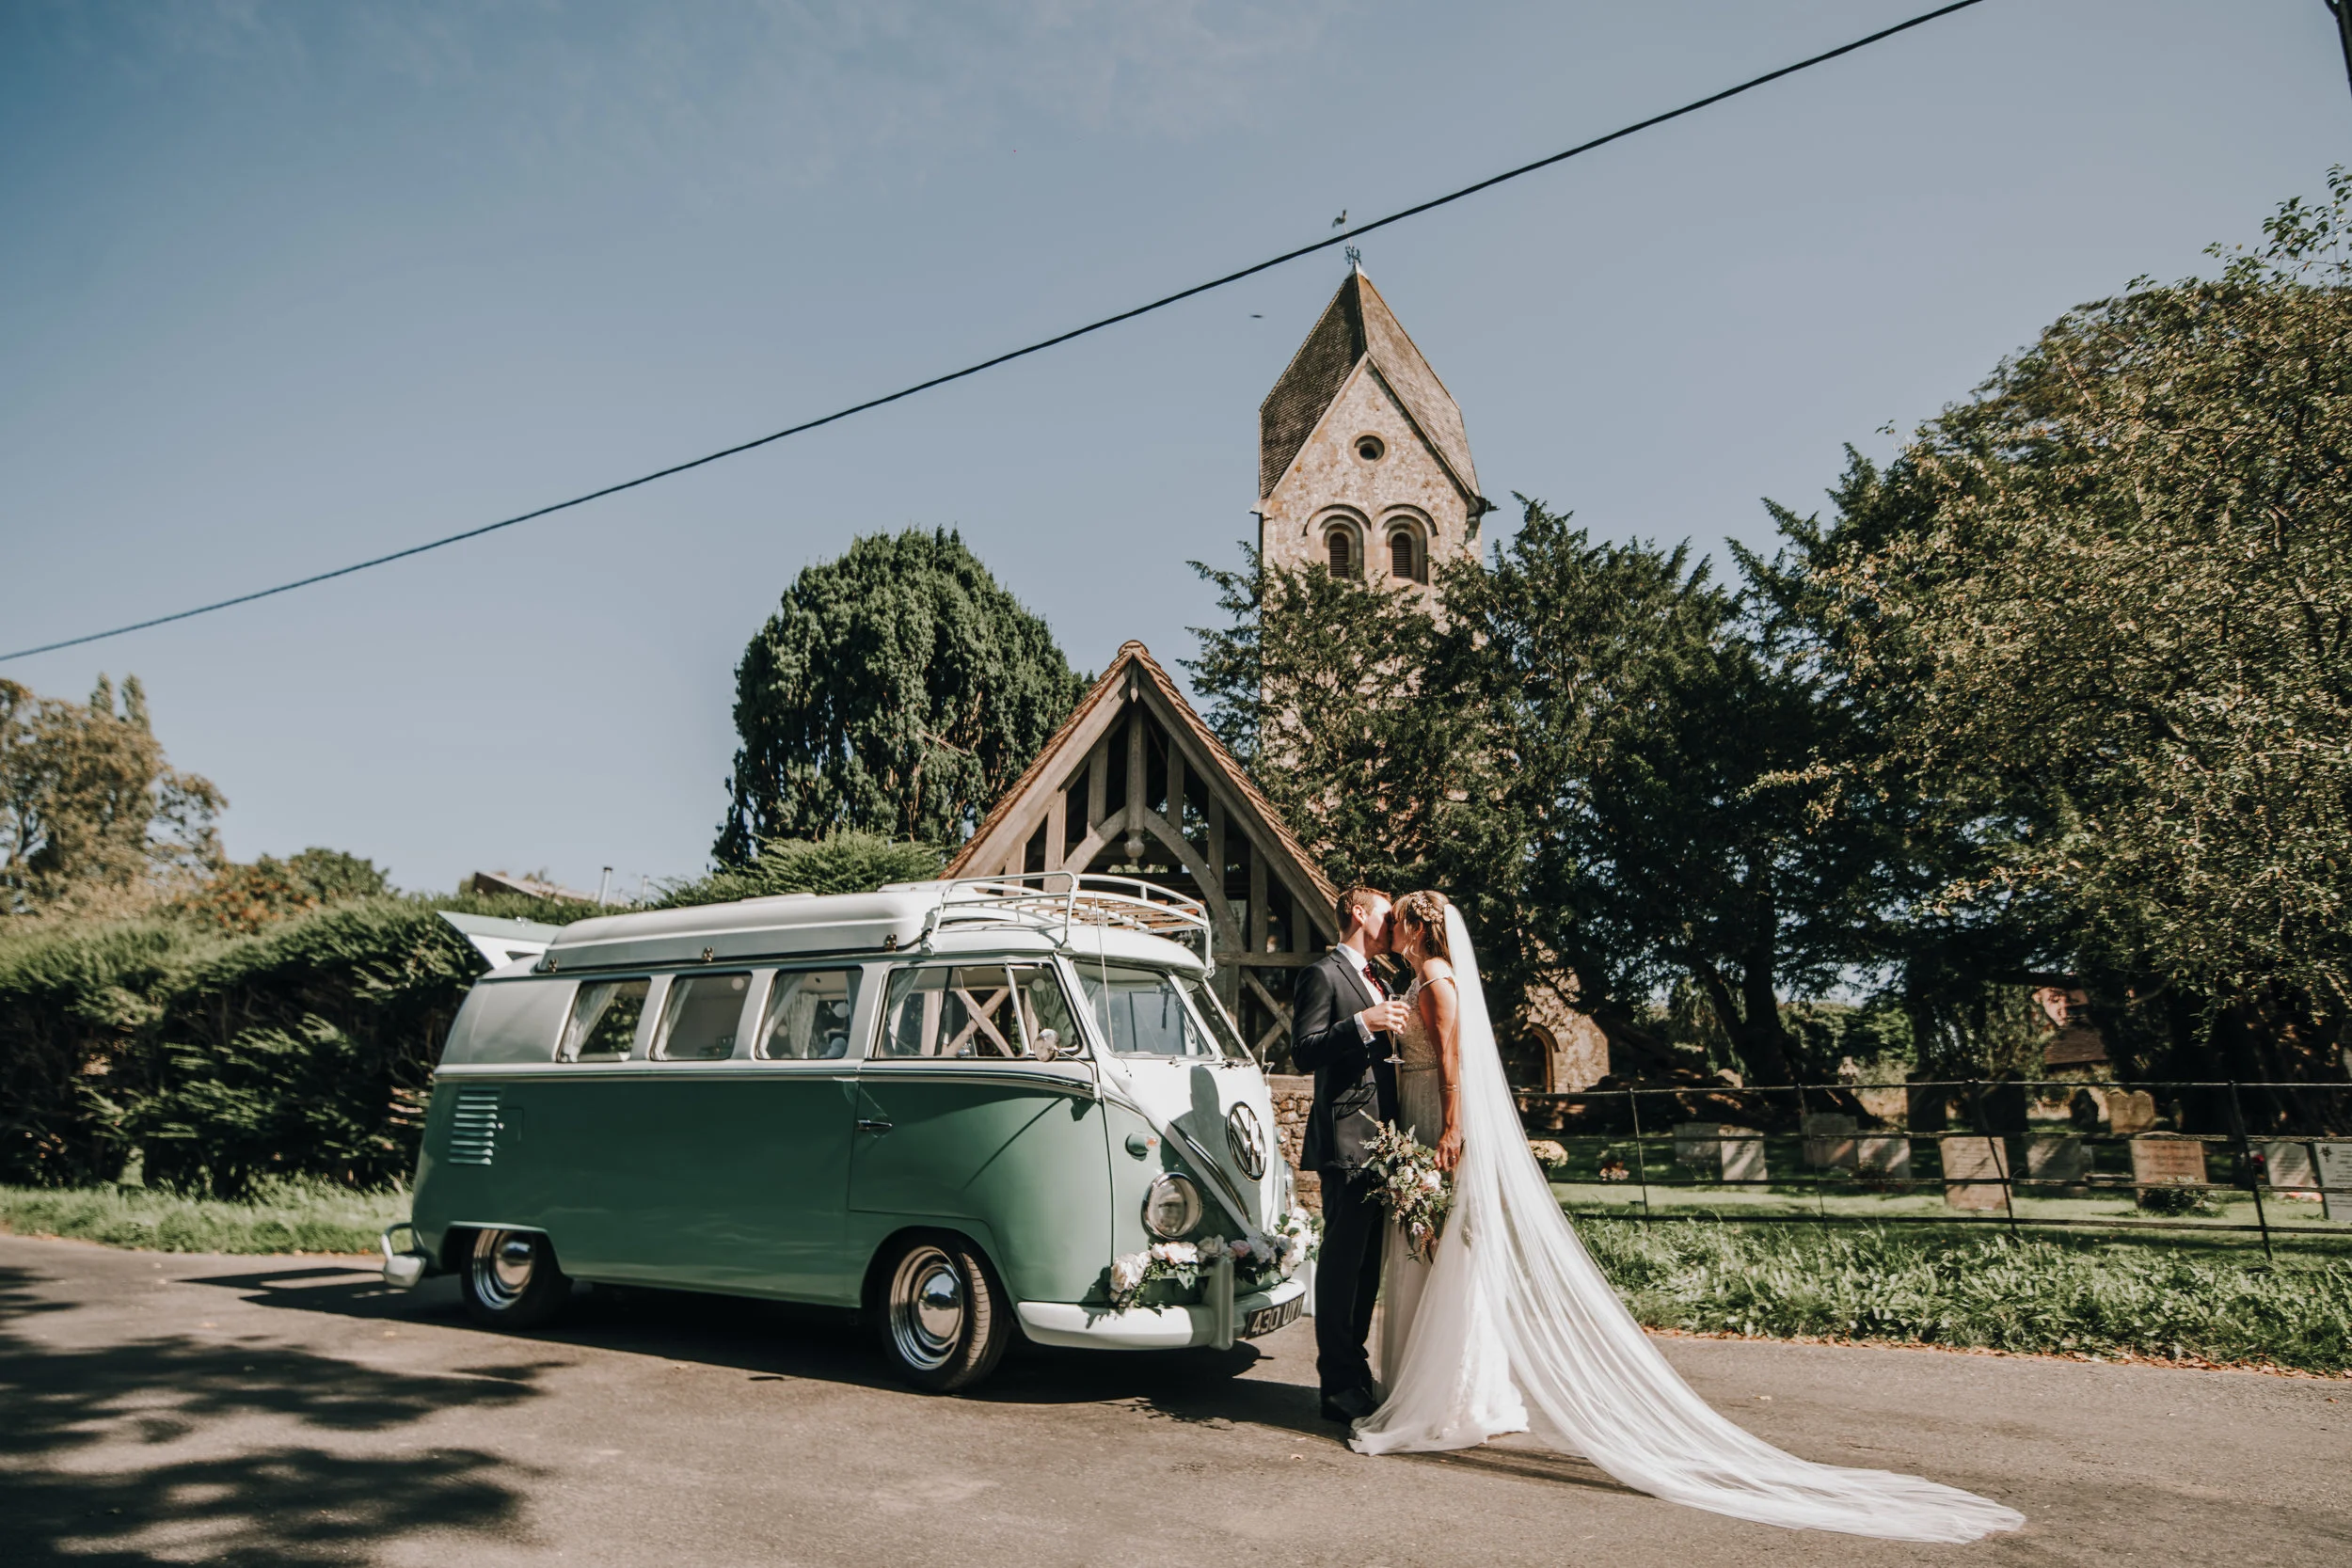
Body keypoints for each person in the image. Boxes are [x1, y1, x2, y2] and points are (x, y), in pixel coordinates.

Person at [1348, 892, 2026, 1544]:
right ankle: (1457, 1390)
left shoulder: (1437, 980)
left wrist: (1451, 1129)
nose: (1396, 931)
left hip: (1437, 1123)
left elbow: (1454, 1066)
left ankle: (1443, 1400)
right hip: (1416, 1118)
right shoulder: (1417, 980)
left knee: (1440, 1255)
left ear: (1419, 928)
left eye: (1401, 921)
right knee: (1432, 1253)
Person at [1288, 885, 1410, 1426]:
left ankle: (1355, 1370)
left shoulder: (1380, 979)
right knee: (1341, 1269)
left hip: (1382, 1143)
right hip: (1346, 1141)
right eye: (1387, 915)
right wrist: (1364, 1023)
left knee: (1367, 1269)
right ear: (1359, 914)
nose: (1394, 924)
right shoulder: (1323, 974)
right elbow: (1304, 1049)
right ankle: (1336, 1385)